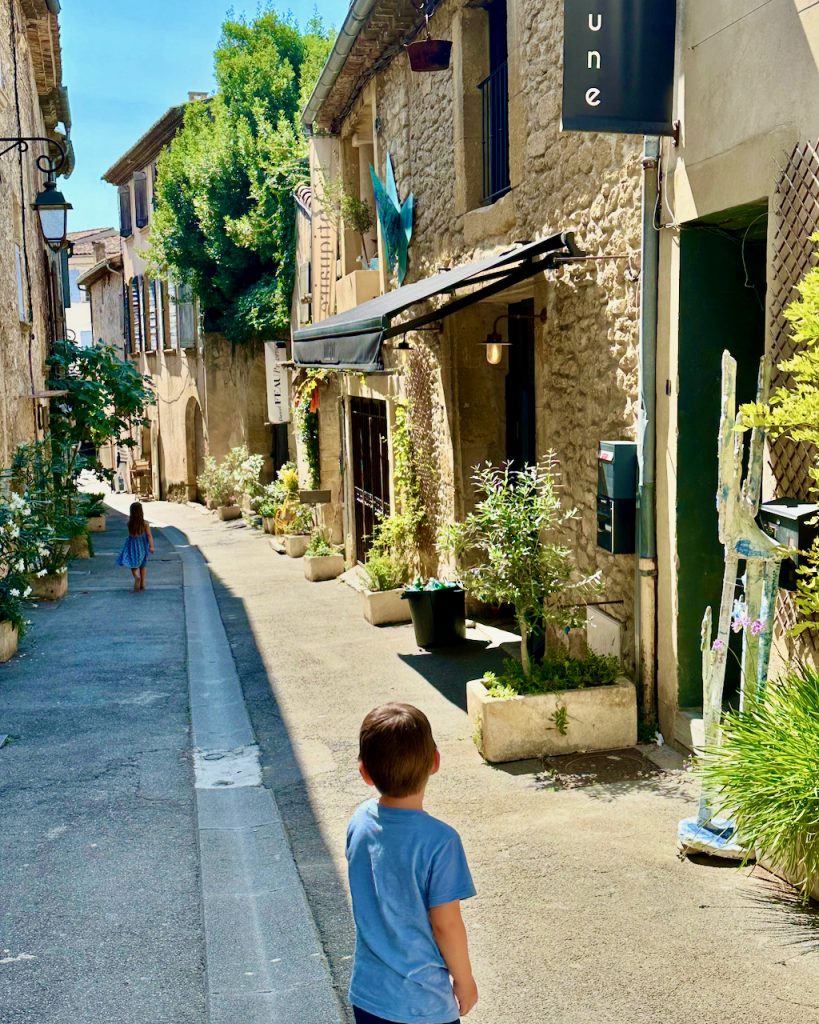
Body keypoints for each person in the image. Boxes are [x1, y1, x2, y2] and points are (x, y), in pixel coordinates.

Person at [347, 703, 477, 1024]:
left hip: (369, 995)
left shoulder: (360, 821)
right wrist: (464, 980)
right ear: (435, 761)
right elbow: (445, 924)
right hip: (423, 1003)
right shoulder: (440, 841)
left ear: (364, 772)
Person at [116, 501, 154, 591]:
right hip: (142, 546)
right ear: (141, 512)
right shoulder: (145, 524)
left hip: (132, 546)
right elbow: (149, 535)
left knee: (133, 564)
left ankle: (137, 577)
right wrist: (151, 546)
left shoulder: (129, 523)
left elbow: (131, 534)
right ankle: (142, 584)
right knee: (143, 565)